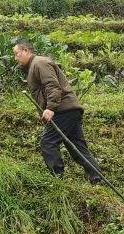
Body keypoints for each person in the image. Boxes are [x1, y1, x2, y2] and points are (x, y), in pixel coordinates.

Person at [13, 40, 102, 184]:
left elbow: (52, 86)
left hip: (63, 110)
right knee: (78, 148)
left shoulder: (39, 63)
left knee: (47, 142)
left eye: (17, 54)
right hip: (69, 109)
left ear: (26, 51)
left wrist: (50, 108)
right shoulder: (34, 65)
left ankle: (58, 179)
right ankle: (97, 179)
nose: (16, 58)